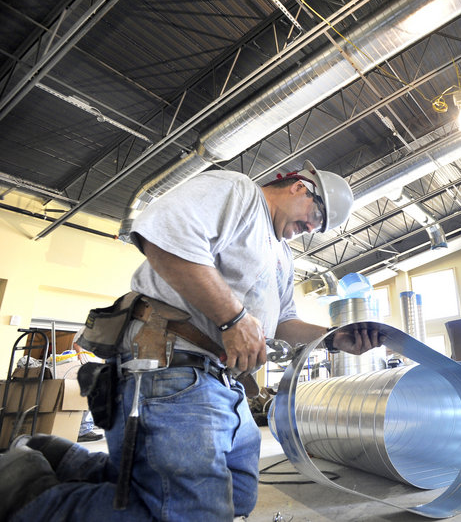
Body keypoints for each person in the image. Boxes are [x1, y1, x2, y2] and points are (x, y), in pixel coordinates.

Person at [0, 161, 384, 521]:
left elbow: (283, 322)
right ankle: (28, 494)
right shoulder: (239, 193)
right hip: (172, 367)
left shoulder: (282, 254)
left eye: (320, 229)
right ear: (301, 187)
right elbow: (162, 236)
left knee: (239, 495)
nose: (312, 229)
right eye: (316, 218)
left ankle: (62, 460)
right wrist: (233, 318)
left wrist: (334, 339)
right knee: (195, 511)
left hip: (222, 381)